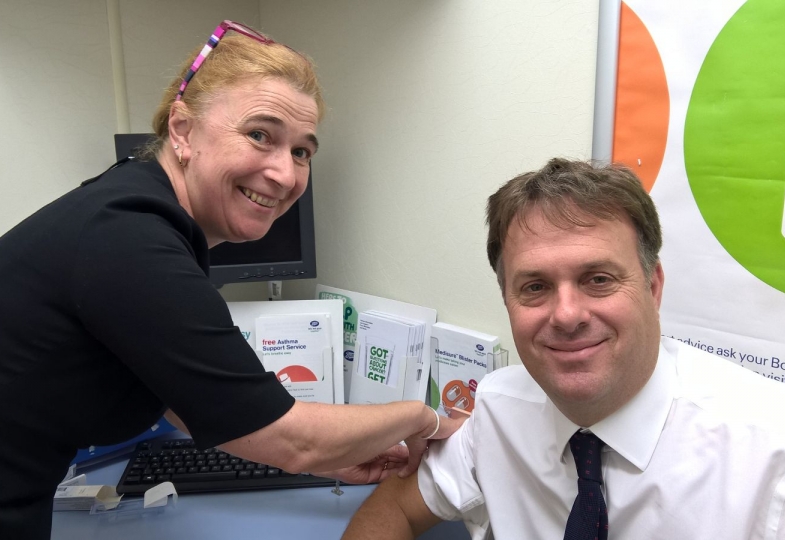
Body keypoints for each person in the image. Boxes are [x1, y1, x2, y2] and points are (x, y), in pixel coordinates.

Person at [0, 21, 461, 540]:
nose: (286, 175)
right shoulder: (129, 238)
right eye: (259, 135)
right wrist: (424, 420)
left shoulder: (130, 210)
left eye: (302, 152)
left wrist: (324, 460)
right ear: (181, 130)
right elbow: (292, 438)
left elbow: (186, 396)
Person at [342, 158, 785, 539]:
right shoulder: (501, 409)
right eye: (534, 287)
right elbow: (396, 511)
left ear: (653, 288)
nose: (567, 315)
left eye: (598, 279)